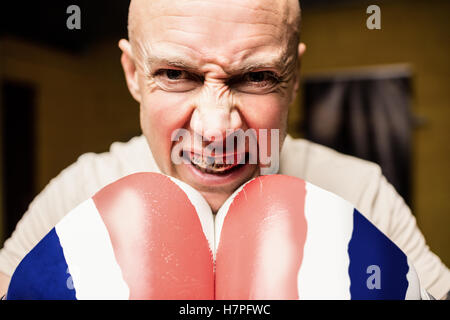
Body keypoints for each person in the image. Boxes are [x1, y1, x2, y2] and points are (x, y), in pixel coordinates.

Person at [0, 0, 449, 299]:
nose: (216, 129)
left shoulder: (361, 192)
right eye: (176, 74)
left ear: (293, 77)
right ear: (133, 74)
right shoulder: (78, 194)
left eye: (256, 78)